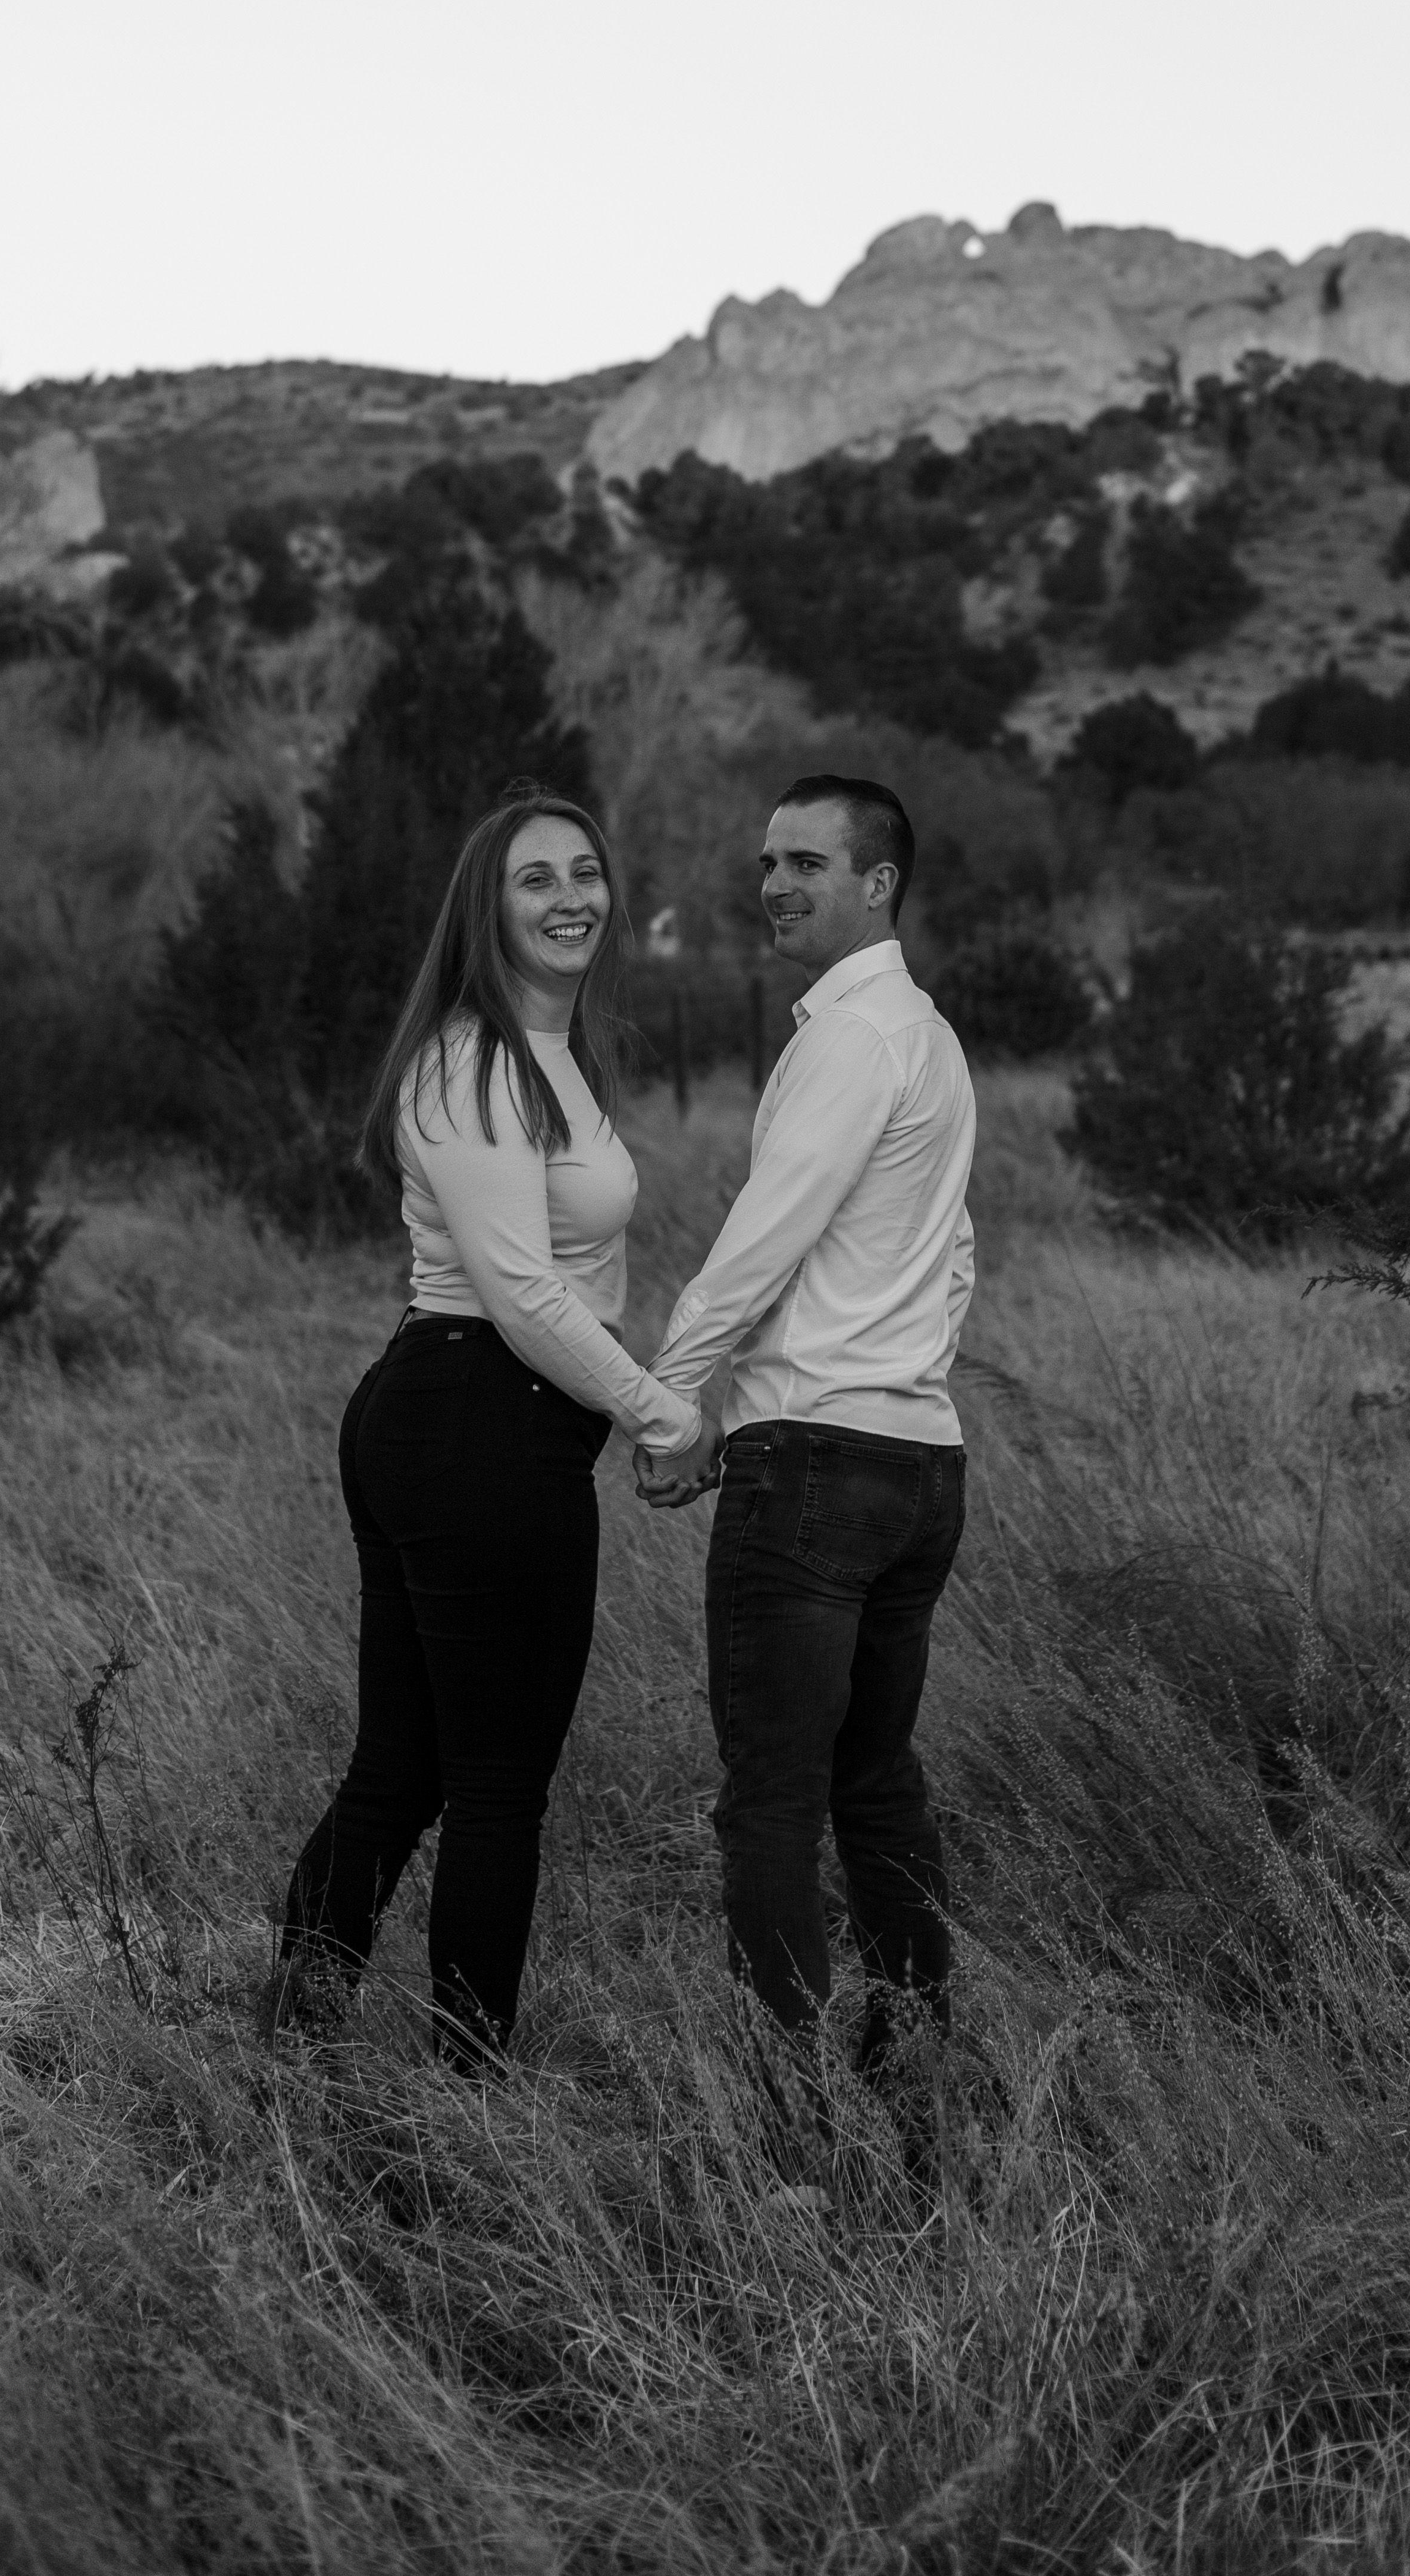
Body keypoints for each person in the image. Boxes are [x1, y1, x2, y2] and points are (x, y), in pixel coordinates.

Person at [266, 787, 701, 2070]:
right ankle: (466, 2092)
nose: (572, 898)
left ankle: (296, 2047)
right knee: (494, 1791)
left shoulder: (553, 1051)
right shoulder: (474, 1061)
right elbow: (522, 1294)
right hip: (479, 1422)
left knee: (405, 1772)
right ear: (486, 910)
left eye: (586, 873)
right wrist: (661, 1413)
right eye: (536, 880)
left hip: (470, 1420)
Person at [638, 774, 977, 2086]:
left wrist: (676, 1402)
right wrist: (900, 1371)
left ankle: (787, 2107)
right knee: (874, 1779)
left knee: (772, 1800)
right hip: (918, 1463)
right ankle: (918, 2067)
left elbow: (763, 1237)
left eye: (807, 864)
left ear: (878, 883)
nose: (775, 885)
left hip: (818, 1468)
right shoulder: (929, 1037)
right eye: (769, 863)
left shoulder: (850, 1037)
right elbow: (953, 1256)